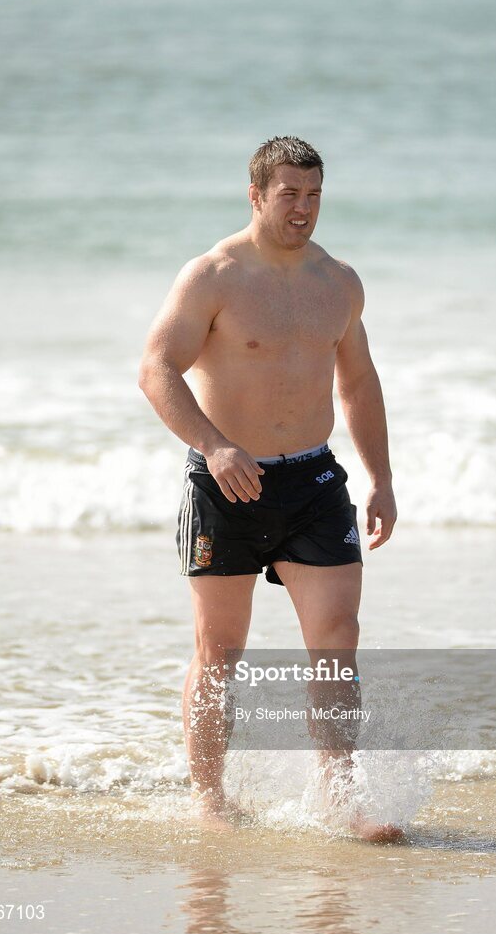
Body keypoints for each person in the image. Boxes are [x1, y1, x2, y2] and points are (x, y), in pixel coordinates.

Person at [139, 136, 401, 842]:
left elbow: (359, 383)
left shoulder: (339, 281)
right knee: (219, 649)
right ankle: (210, 800)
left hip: (314, 480)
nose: (304, 209)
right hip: (226, 482)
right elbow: (156, 370)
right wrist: (214, 445)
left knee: (338, 638)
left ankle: (339, 799)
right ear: (256, 195)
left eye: (314, 195)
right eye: (289, 194)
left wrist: (379, 477)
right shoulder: (214, 275)